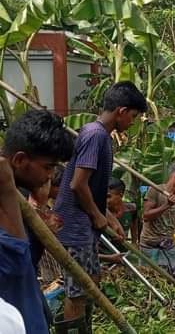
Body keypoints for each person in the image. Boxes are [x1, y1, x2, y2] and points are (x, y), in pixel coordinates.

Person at [53, 81, 147, 329]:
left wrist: (111, 219)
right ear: (121, 111)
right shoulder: (95, 135)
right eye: (134, 116)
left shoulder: (99, 135)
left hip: (84, 226)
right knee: (78, 293)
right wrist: (96, 216)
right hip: (74, 226)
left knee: (91, 284)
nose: (133, 122)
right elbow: (77, 184)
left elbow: (92, 190)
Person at [0, 109, 74, 334]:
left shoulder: (18, 197)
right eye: (48, 167)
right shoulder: (7, 198)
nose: (50, 176)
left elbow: (26, 264)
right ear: (20, 160)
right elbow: (14, 262)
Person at [140, 161, 175, 279]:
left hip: (168, 243)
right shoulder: (156, 190)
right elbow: (146, 216)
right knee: (154, 278)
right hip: (150, 243)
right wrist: (166, 205)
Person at [107, 177, 138, 245]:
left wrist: (134, 243)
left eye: (108, 196)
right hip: (104, 252)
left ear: (120, 195)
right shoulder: (101, 211)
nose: (105, 200)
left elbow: (134, 228)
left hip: (123, 250)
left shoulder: (131, 209)